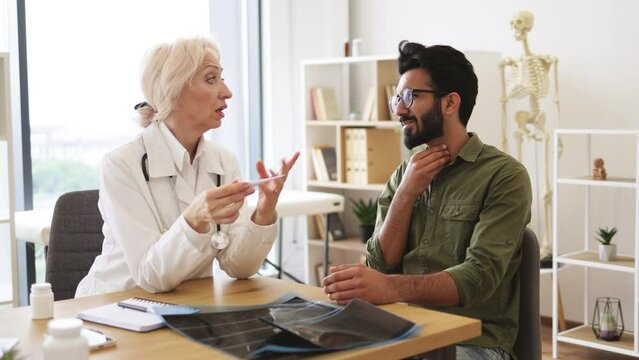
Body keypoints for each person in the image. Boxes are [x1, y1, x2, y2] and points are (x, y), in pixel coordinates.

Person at [323, 40, 532, 360]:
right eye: (397, 97)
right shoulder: (404, 174)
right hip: (402, 331)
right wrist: (406, 193)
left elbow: (478, 277)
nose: (399, 109)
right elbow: (380, 264)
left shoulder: (504, 176)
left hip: (475, 343)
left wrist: (390, 288)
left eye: (410, 96)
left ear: (450, 103)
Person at [76, 36, 299, 297]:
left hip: (187, 304)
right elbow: (151, 276)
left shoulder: (223, 161)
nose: (227, 92)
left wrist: (263, 212)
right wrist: (194, 219)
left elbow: (238, 266)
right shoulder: (121, 165)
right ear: (174, 90)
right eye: (211, 79)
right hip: (115, 306)